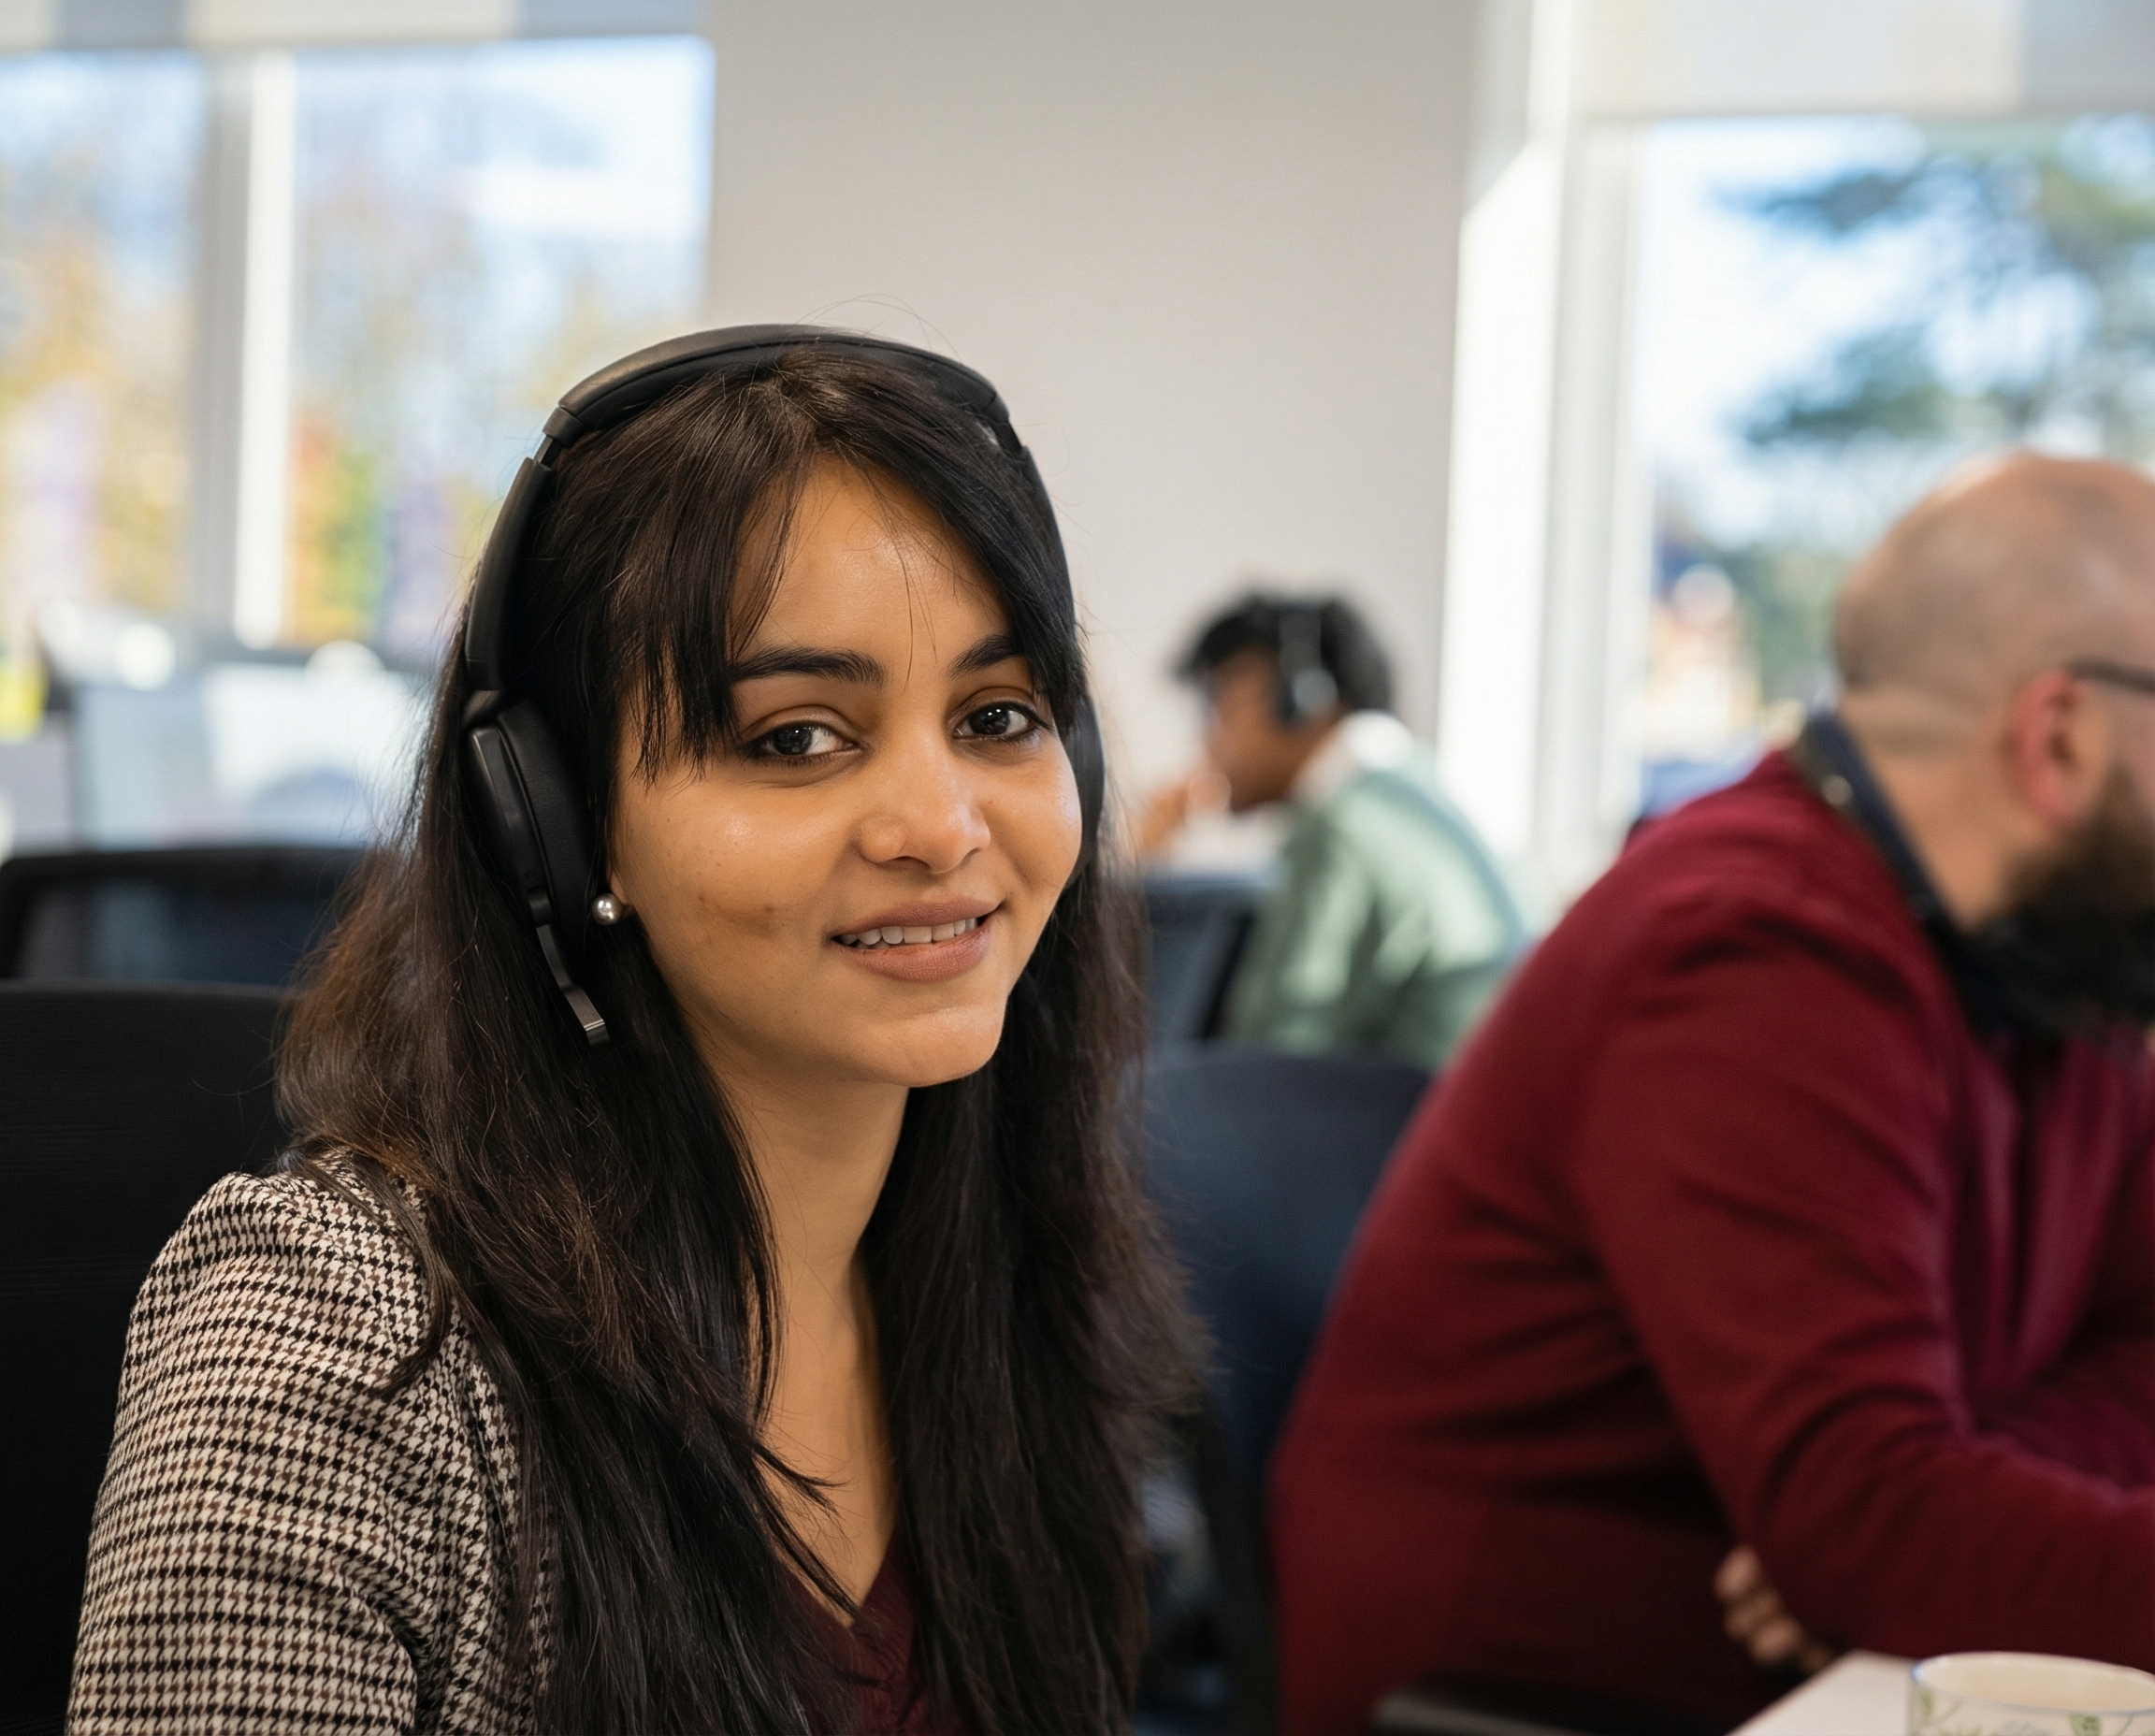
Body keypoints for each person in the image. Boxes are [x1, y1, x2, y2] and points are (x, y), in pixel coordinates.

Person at [67, 330, 1188, 1733]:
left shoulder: (1001, 1278)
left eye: (999, 715)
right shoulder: (346, 1344)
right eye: (797, 737)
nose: (945, 827)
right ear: (559, 822)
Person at [1269, 452, 2155, 1730]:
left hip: (1818, 1675)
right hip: (1543, 1695)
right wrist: (1899, 1539)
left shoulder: (2072, 958)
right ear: (2059, 733)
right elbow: (1880, 1522)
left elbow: (2086, 1386)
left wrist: (1942, 1516)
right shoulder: (1753, 948)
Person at [1145, 593, 1525, 1067]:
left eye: (1217, 706)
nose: (1208, 740)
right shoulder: (1415, 789)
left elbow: (1274, 1050)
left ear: (1300, 699)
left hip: (1406, 1119)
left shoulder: (1341, 827)